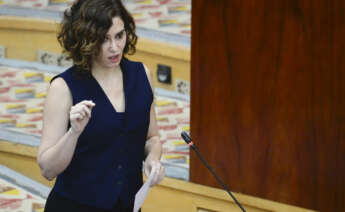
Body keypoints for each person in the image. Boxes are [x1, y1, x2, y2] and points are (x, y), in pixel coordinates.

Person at [37, 0, 165, 211]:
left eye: (119, 35)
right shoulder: (63, 88)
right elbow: (48, 169)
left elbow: (152, 137)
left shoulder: (142, 75)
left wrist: (153, 159)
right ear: (84, 40)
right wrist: (73, 134)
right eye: (103, 39)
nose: (114, 47)